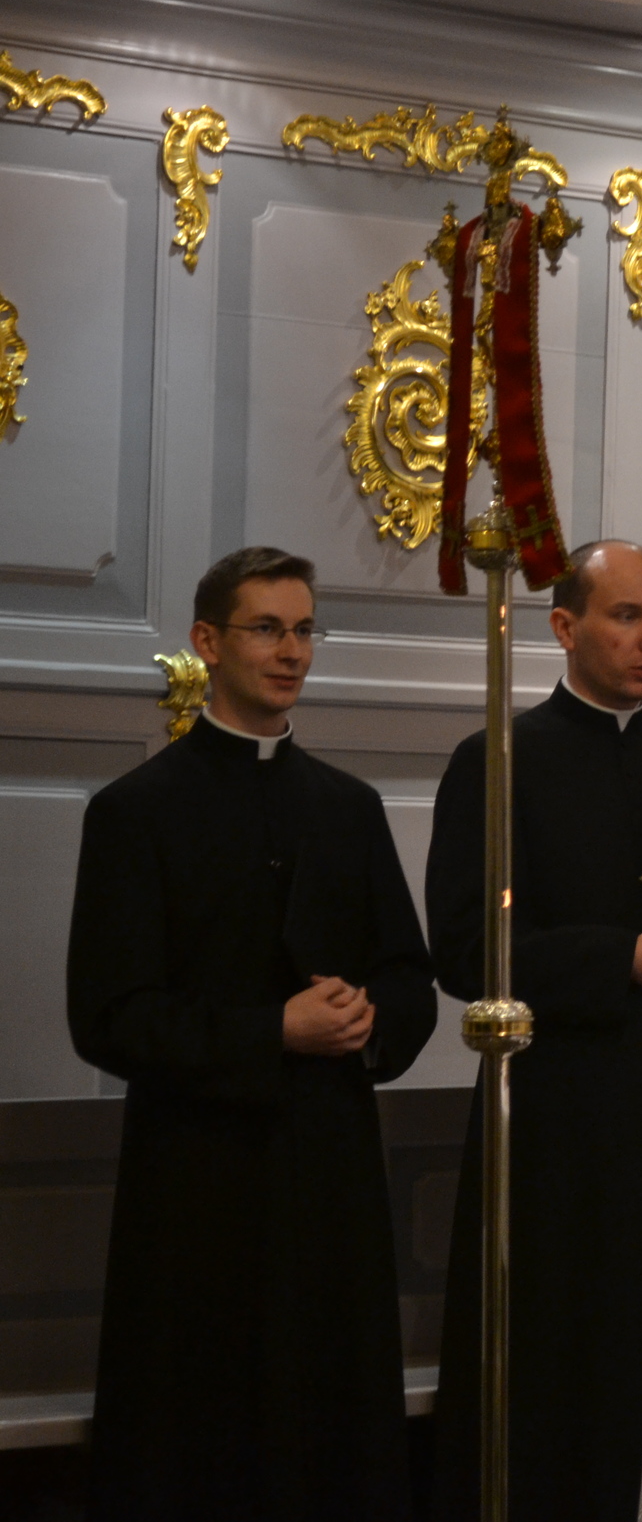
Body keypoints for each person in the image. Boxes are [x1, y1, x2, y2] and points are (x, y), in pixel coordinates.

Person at [67, 546, 435, 1521]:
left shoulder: (348, 808)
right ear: (207, 641)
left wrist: (368, 1018)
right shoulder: (135, 813)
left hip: (331, 1177)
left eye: (305, 630)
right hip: (196, 1186)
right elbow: (106, 1015)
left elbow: (410, 979)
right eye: (267, 629)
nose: (291, 651)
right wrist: (273, 1028)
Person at [427, 540, 642, 1522]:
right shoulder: (498, 758)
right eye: (627, 616)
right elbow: (468, 947)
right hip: (558, 1126)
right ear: (563, 626)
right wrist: (625, 959)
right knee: (563, 1367)